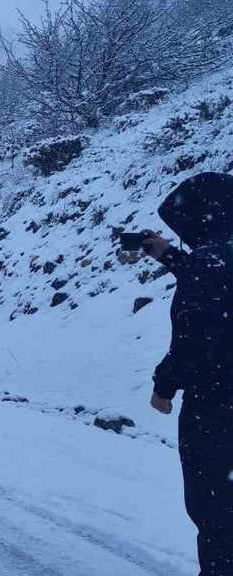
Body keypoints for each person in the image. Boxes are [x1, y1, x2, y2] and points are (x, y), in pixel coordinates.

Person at [143, 172, 233, 575]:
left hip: (217, 407)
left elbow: (196, 334)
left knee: (216, 512)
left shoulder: (208, 261)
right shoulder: (216, 258)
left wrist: (164, 385)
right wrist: (169, 257)